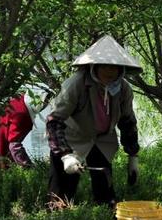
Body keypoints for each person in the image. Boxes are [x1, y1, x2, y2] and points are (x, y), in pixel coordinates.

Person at [45, 35, 140, 208]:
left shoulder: (123, 89)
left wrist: (133, 155)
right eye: (105, 66)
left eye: (115, 67)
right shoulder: (77, 84)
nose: (110, 72)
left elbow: (127, 122)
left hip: (103, 140)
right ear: (94, 65)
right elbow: (54, 121)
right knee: (61, 194)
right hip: (72, 139)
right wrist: (66, 155)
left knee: (106, 194)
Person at [0, 92, 44, 168]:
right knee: (7, 149)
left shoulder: (19, 99)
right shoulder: (23, 115)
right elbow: (14, 144)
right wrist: (27, 166)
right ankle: (26, 168)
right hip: (0, 137)